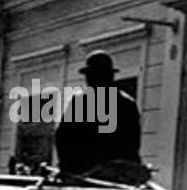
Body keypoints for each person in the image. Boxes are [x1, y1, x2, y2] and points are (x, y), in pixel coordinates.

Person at [53, 50, 143, 182]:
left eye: (91, 76)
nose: (88, 80)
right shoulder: (126, 103)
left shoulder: (82, 101)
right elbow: (133, 143)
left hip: (84, 174)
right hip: (118, 175)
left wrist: (67, 169)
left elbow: (63, 138)